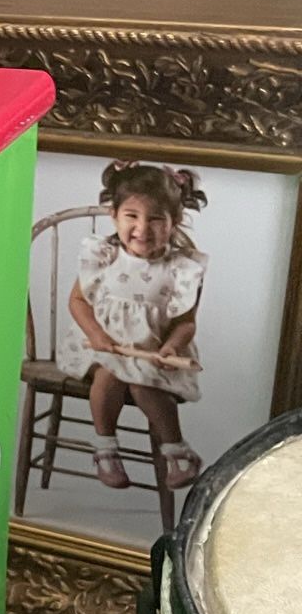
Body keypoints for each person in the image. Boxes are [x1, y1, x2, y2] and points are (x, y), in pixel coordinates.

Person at [58, 161, 206, 490]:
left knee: (144, 386)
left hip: (151, 353)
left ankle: (175, 451)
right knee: (110, 374)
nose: (142, 228)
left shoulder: (180, 268)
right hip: (104, 347)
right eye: (132, 216)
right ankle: (106, 449)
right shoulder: (103, 257)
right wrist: (96, 334)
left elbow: (185, 323)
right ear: (114, 215)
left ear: (175, 221)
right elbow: (78, 301)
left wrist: (172, 347)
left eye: (156, 218)